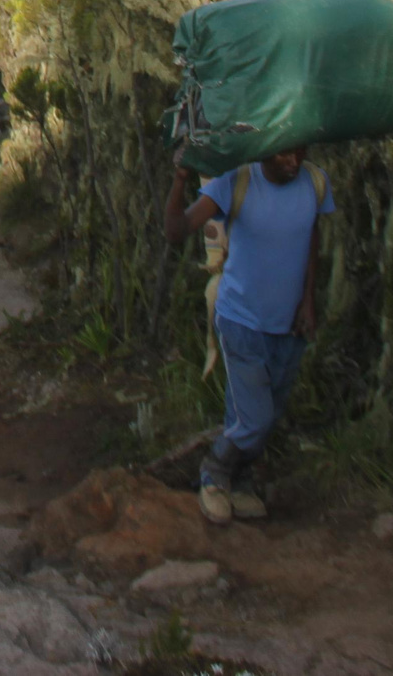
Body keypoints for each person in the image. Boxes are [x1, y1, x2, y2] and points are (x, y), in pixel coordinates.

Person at [163, 146, 333, 525]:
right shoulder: (236, 181)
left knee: (260, 413)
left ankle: (239, 483)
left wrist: (308, 301)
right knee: (255, 417)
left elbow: (311, 238)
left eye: (299, 152)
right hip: (241, 320)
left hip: (288, 326)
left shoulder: (315, 183)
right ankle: (214, 471)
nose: (292, 161)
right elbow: (176, 231)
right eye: (282, 155)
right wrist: (180, 181)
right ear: (265, 148)